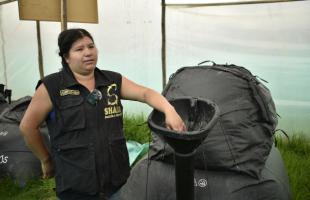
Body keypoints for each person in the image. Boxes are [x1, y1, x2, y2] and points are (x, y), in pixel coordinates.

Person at [19, 28, 186, 200]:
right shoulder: (52, 86)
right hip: (76, 184)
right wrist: (45, 159)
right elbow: (27, 127)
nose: (88, 52)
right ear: (66, 57)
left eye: (91, 46)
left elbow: (145, 93)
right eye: (79, 49)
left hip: (116, 180)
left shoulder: (111, 81)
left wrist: (169, 110)